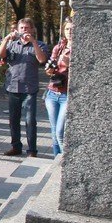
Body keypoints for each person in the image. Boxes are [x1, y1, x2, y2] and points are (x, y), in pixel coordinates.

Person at [0, 17, 49, 157]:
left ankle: (32, 150)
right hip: (13, 86)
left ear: (32, 30)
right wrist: (6, 39)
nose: (24, 31)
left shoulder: (39, 44)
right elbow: (0, 55)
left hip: (29, 89)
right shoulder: (13, 44)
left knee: (30, 120)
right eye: (22, 28)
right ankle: (16, 147)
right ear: (17, 30)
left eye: (27, 28)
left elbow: (42, 60)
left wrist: (33, 42)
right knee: (13, 120)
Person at [44, 17, 72, 156]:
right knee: (54, 133)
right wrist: (49, 69)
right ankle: (57, 159)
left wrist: (71, 64)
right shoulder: (59, 48)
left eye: (72, 29)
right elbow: (51, 69)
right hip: (52, 93)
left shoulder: (81, 49)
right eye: (67, 29)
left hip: (67, 95)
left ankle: (64, 162)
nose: (70, 32)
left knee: (60, 131)